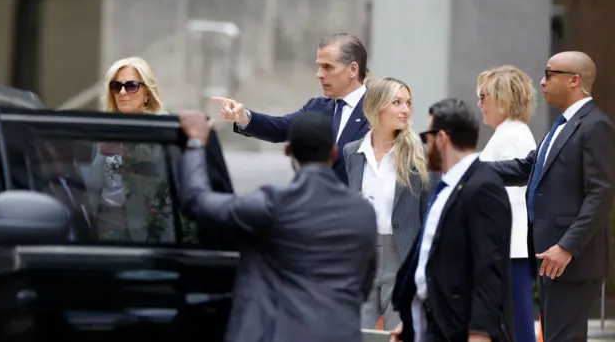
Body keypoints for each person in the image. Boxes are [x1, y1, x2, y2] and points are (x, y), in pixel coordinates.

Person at [178, 110, 378, 342]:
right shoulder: (363, 212)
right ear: (333, 153)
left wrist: (195, 142)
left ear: (288, 151)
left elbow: (197, 201)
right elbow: (363, 282)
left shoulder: (273, 205)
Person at [489, 52, 615, 342]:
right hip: (549, 258)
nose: (542, 82)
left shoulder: (595, 125)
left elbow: (600, 194)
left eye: (549, 74)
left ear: (574, 80)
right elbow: (526, 167)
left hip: (570, 260)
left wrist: (567, 247)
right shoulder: (561, 125)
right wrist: (471, 171)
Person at [390, 99, 513, 342]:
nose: (425, 145)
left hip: (459, 328)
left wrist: (479, 332)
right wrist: (412, 322)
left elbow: (490, 265)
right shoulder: (449, 185)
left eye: (427, 137)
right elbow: (431, 255)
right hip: (433, 321)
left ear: (442, 138)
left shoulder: (483, 186)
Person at [87, 57, 235, 246]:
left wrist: (126, 151)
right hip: (108, 228)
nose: (122, 92)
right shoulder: (103, 129)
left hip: (151, 230)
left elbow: (167, 181)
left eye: (131, 85)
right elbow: (94, 187)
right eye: (116, 86)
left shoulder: (164, 129)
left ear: (147, 94)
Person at [212, 33, 370, 185]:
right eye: (319, 66)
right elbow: (281, 127)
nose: (319, 74)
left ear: (353, 70)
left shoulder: (379, 111)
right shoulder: (317, 107)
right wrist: (243, 117)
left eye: (328, 67)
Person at [343, 77, 433, 330]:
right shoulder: (352, 152)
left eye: (408, 103)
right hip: (363, 257)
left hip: (402, 256)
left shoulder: (422, 155)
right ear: (377, 106)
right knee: (357, 332)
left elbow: (430, 214)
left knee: (400, 333)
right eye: (397, 102)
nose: (405, 109)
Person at [476, 65, 537, 342]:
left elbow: (513, 194)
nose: (480, 104)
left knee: (516, 326)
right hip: (506, 246)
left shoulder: (513, 134)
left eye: (483, 96)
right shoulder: (508, 132)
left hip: (508, 248)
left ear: (501, 98)